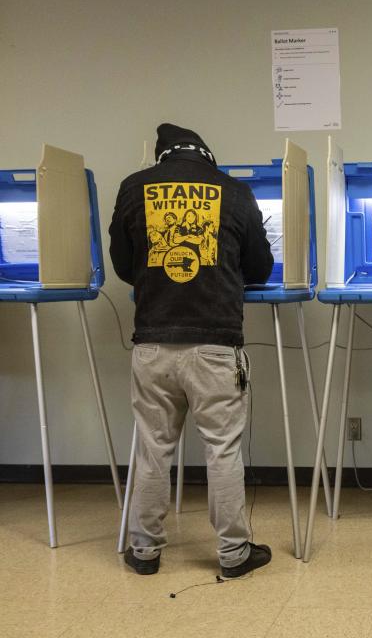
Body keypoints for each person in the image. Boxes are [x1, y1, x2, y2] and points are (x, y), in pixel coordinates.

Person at [109, 123, 274, 577]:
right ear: (206, 155)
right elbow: (260, 267)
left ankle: (143, 551)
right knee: (222, 449)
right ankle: (234, 554)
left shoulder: (133, 187)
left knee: (153, 447)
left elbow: (124, 265)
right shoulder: (234, 192)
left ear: (163, 156)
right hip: (216, 346)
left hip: (152, 343)